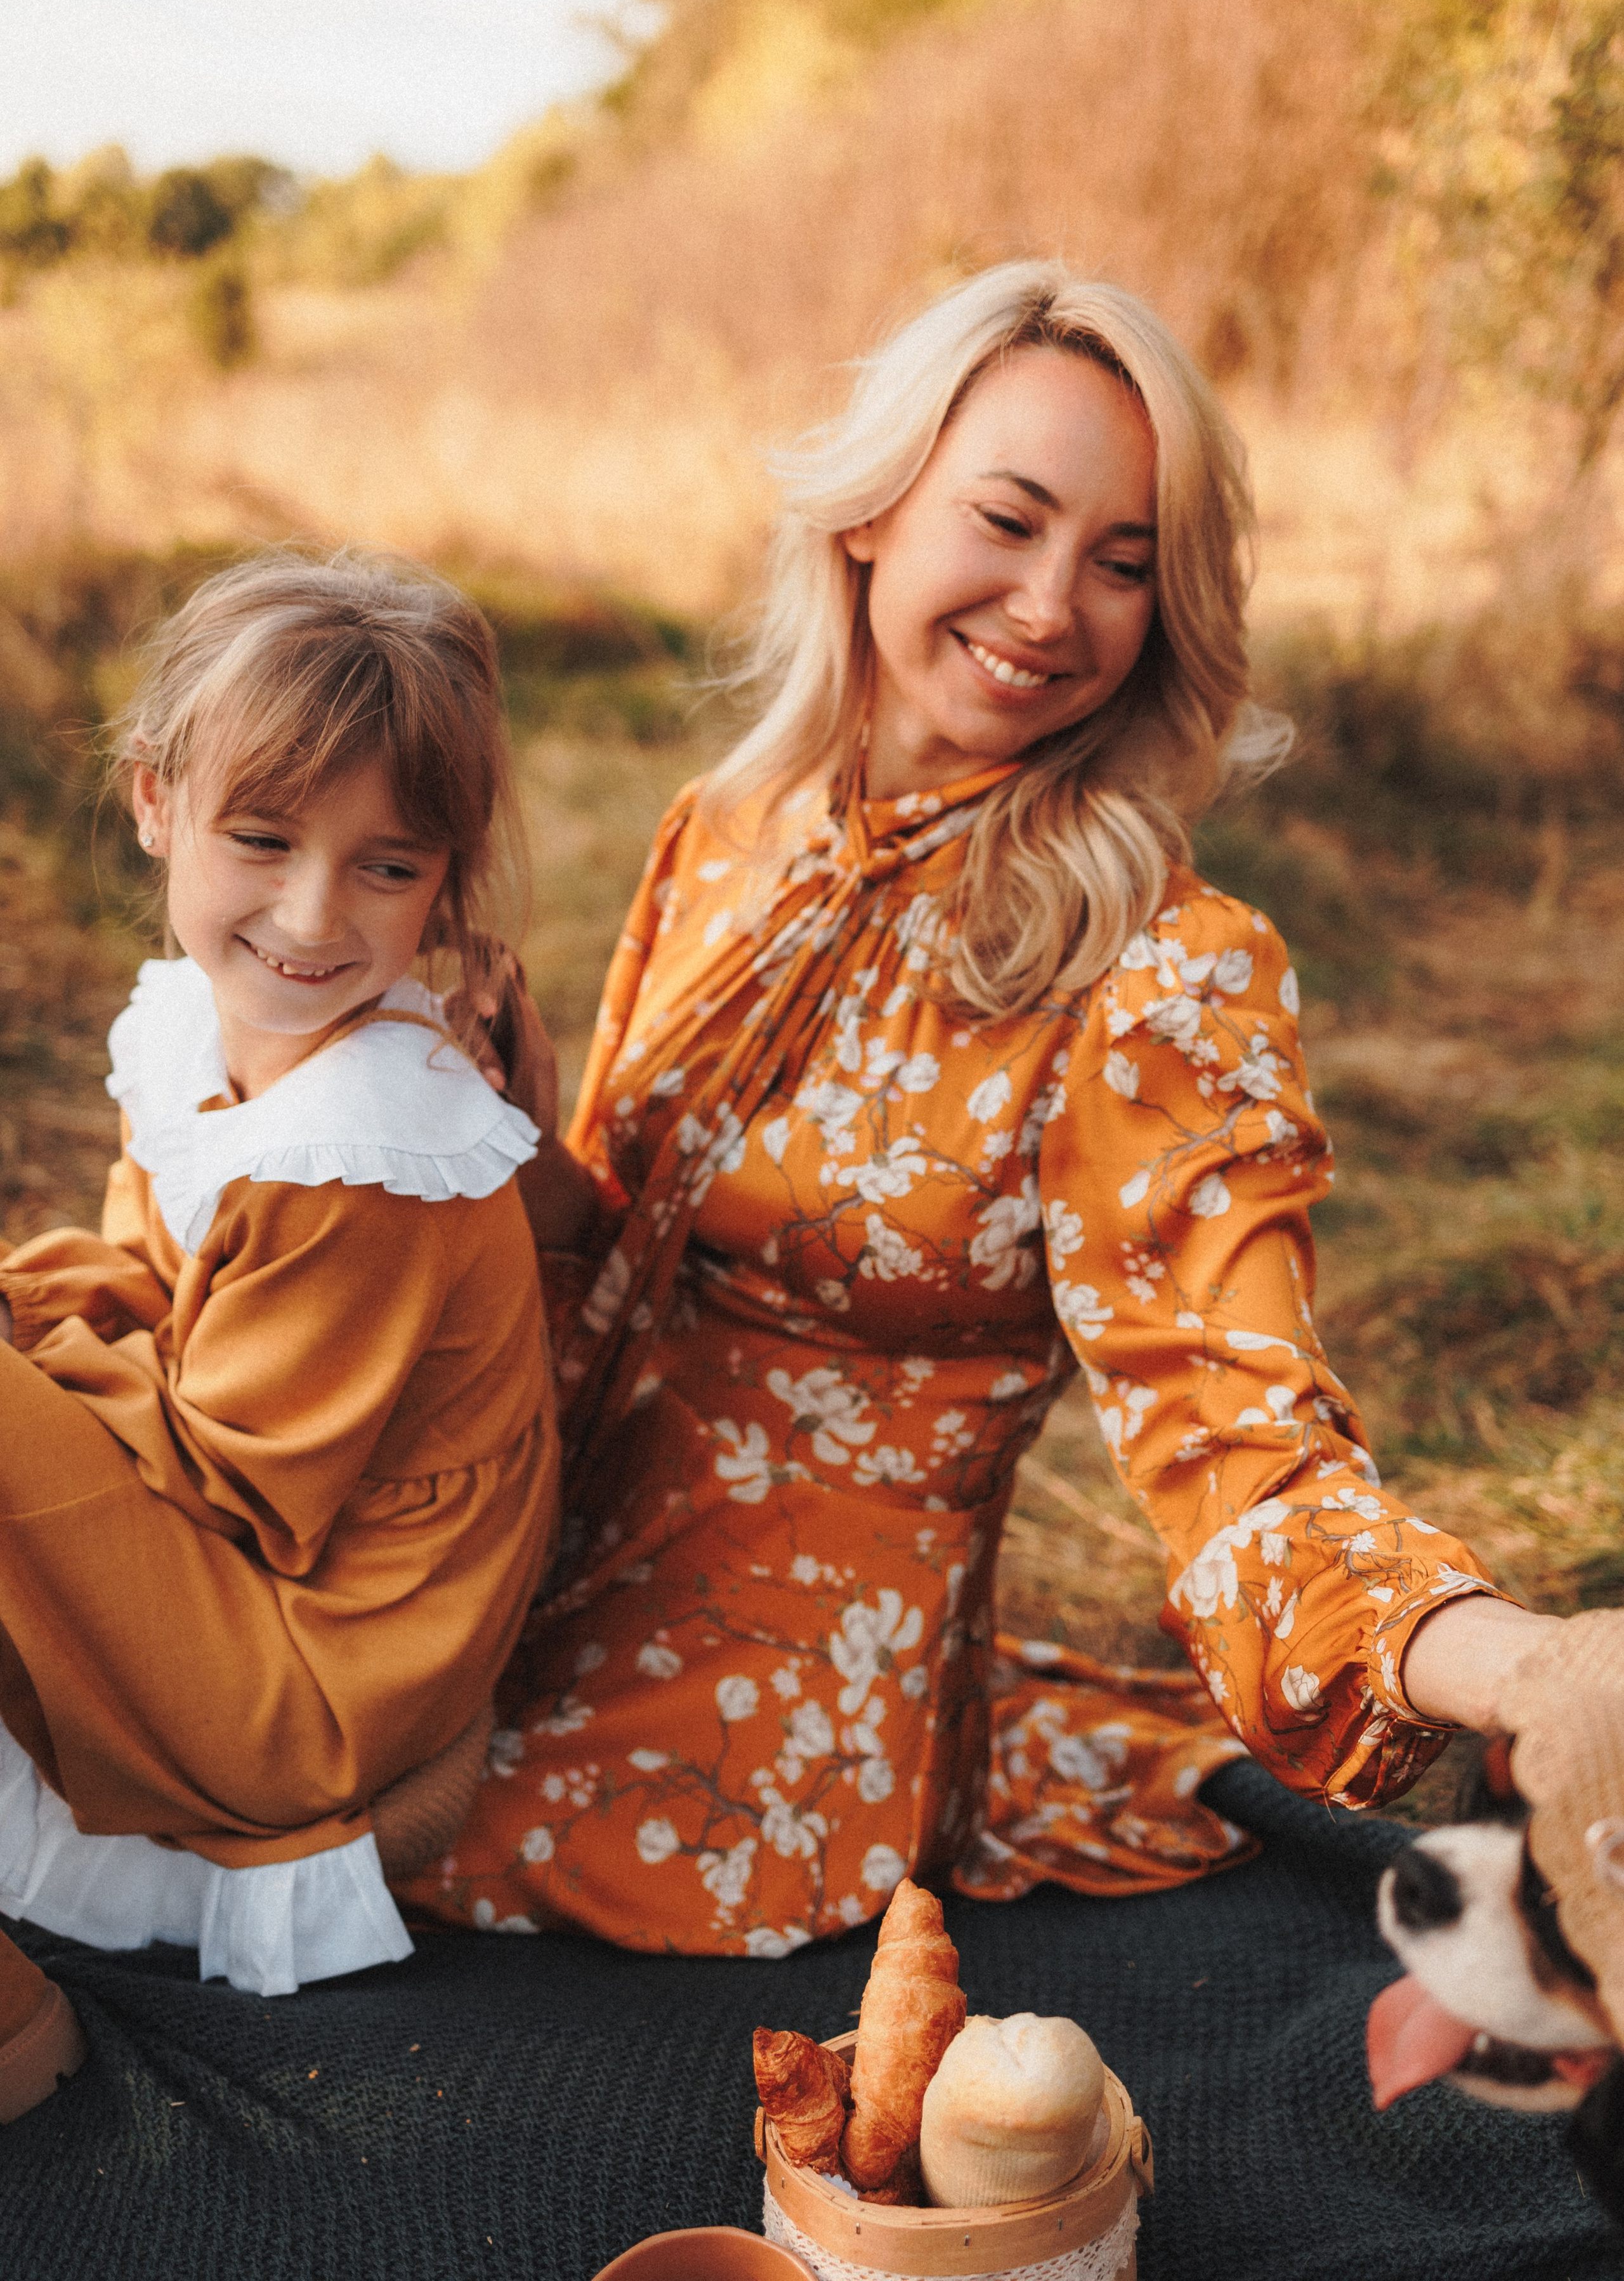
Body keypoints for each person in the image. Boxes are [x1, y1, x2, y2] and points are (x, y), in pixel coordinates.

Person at [399, 261, 1552, 1958]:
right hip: (519, 1564)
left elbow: (1240, 1441)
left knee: (294, 1872)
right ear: (873, 513)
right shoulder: (731, 828)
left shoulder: (1165, 967)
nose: (1049, 606)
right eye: (1007, 520)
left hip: (782, 1736)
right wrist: (470, 1137)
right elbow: (620, 1242)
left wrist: (1530, 1665)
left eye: (1123, 565)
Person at [0, 553, 561, 2069]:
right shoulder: (206, 1023)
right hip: (240, 1547)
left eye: (387, 867)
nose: (313, 917)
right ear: (153, 804)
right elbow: (139, 1279)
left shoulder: (362, 1148)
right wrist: (44, 1329)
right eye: (262, 838)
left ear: (442, 875)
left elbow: (240, 1482)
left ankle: (18, 2027)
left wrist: (36, 1364)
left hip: (326, 1653)